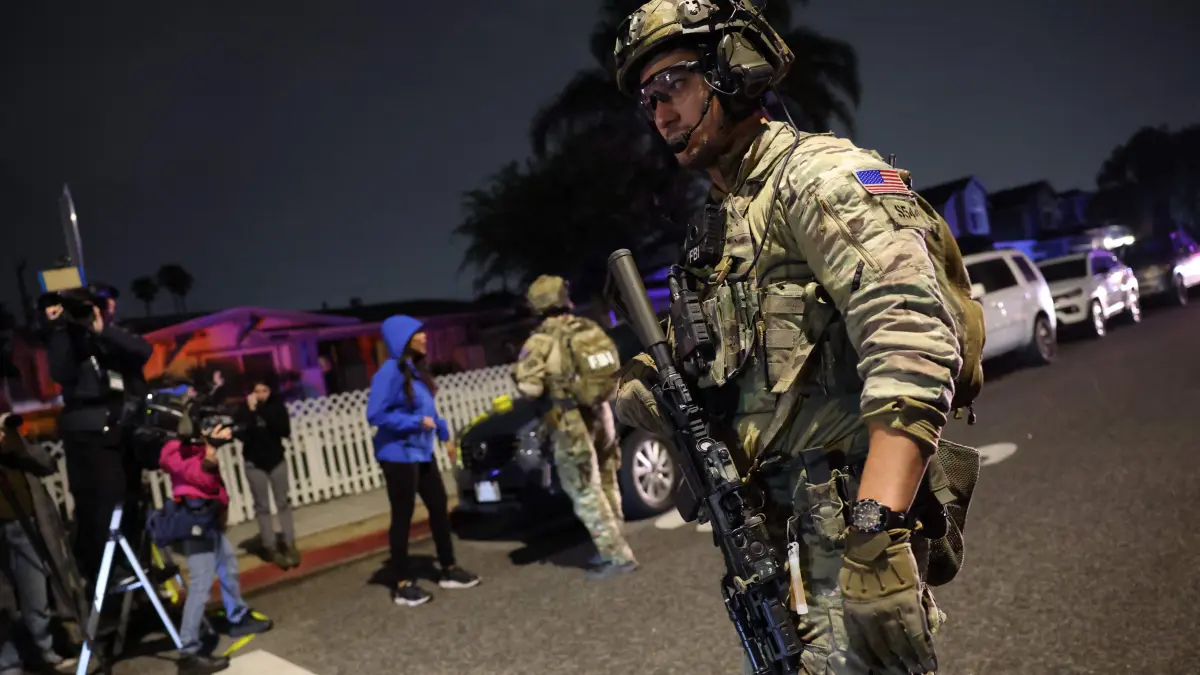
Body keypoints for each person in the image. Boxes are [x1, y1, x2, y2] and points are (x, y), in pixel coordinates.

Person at [610, 2, 985, 673]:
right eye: (647, 100)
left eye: (671, 85)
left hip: (850, 536)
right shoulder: (725, 222)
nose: (660, 113)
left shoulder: (818, 178)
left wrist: (875, 534)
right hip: (778, 545)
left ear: (732, 69)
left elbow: (913, 339)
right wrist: (656, 378)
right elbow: (738, 354)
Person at [513, 276, 637, 581]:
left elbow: (530, 388)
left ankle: (616, 555)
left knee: (584, 489)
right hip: (602, 414)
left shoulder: (540, 341)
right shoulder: (588, 327)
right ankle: (617, 542)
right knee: (607, 479)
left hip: (570, 423)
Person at [40, 286, 152, 586]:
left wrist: (103, 331)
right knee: (104, 500)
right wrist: (62, 328)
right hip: (89, 436)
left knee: (130, 497)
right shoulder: (66, 339)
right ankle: (105, 566)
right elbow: (60, 372)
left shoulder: (108, 337)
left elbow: (143, 351)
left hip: (121, 430)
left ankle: (133, 558)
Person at [365, 316, 479, 607]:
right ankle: (402, 584)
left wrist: (445, 435)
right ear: (402, 339)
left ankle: (449, 569)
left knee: (439, 507)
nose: (425, 337)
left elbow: (430, 411)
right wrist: (414, 422)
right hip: (398, 455)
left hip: (421, 452)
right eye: (418, 333)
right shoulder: (389, 373)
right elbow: (375, 415)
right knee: (402, 516)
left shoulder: (416, 371)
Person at [158, 422, 272, 675]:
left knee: (228, 564)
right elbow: (203, 478)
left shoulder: (190, 446)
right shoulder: (174, 450)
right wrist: (210, 450)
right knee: (201, 584)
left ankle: (237, 616)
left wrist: (210, 443)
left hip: (208, 518)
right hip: (196, 521)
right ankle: (189, 651)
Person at [0, 414, 76, 675]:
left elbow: (47, 464)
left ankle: (42, 650)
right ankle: (8, 662)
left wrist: (18, 447)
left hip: (25, 521)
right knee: (4, 601)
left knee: (36, 593)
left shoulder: (12, 441)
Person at [234, 379, 298, 569]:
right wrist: (251, 412)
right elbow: (242, 435)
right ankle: (270, 546)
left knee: (283, 503)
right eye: (257, 391)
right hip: (254, 464)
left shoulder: (276, 407)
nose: (261, 395)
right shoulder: (243, 411)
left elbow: (283, 430)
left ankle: (289, 543)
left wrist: (261, 411)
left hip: (276, 460)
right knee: (262, 506)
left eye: (264, 390)